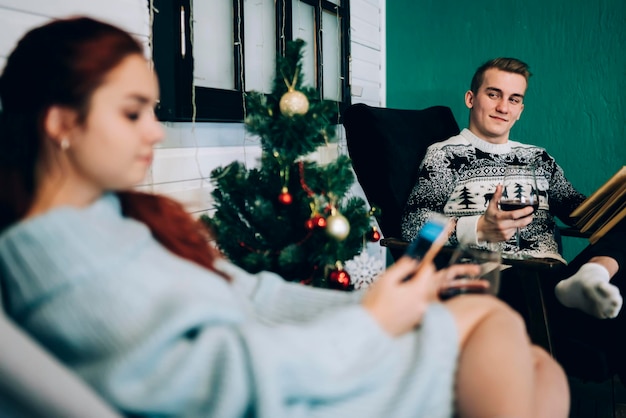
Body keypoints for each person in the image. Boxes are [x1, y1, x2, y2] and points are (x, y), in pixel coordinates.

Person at [0, 18, 569, 417]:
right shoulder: (61, 266)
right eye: (131, 112)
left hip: (306, 343)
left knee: (539, 366)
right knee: (502, 333)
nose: (154, 129)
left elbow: (252, 297)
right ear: (61, 123)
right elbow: (223, 381)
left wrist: (372, 303)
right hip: (290, 382)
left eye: (152, 109)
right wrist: (371, 323)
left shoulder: (117, 224)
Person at [400, 57, 625, 378]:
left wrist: (613, 205)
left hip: (558, 277)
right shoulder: (445, 155)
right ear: (470, 98)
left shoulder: (539, 158)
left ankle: (592, 275)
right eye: (493, 94)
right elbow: (413, 224)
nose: (503, 107)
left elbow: (579, 213)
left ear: (520, 109)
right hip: (502, 281)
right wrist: (478, 227)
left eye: (514, 99)